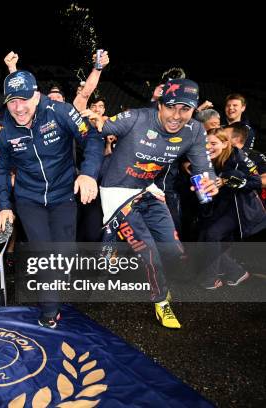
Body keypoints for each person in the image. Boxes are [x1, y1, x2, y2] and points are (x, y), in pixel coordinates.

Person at [98, 78, 219, 329]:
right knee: (149, 253)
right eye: (171, 107)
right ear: (160, 106)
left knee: (174, 251)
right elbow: (96, 128)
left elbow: (204, 168)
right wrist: (94, 122)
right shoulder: (136, 118)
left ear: (193, 110)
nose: (176, 116)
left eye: (184, 109)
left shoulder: (195, 130)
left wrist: (211, 182)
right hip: (117, 194)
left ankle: (152, 279)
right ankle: (161, 301)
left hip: (148, 191)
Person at [0, 69, 104, 328]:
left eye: (24, 99)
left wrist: (88, 174)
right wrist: (5, 206)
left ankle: (51, 293)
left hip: (64, 194)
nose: (19, 108)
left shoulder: (61, 111)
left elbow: (94, 139)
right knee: (45, 253)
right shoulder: (3, 132)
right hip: (29, 200)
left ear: (36, 95)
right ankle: (49, 313)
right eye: (12, 101)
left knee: (63, 255)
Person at [197, 128, 265, 289]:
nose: (208, 146)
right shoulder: (204, 156)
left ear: (225, 143)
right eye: (206, 143)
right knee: (204, 236)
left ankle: (211, 279)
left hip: (240, 208)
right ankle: (236, 272)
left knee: (212, 235)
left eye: (213, 143)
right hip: (219, 205)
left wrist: (231, 182)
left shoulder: (238, 157)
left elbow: (256, 182)